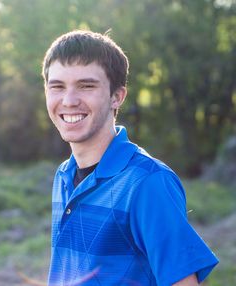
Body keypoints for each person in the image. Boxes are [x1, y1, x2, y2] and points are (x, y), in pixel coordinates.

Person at [42, 30, 218, 286]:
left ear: (117, 97)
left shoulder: (147, 182)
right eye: (57, 86)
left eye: (86, 86)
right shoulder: (63, 175)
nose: (68, 100)